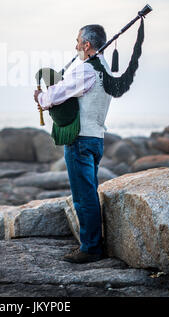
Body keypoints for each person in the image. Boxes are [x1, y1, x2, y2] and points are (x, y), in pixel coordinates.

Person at [33, 24, 112, 264]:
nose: (76, 45)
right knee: (88, 191)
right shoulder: (106, 69)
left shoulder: (86, 70)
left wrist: (40, 97)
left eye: (78, 41)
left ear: (87, 45)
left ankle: (90, 248)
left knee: (83, 195)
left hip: (79, 140)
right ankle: (93, 243)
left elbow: (56, 96)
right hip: (97, 138)